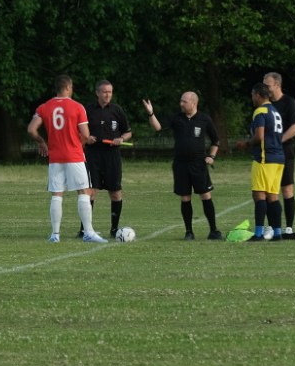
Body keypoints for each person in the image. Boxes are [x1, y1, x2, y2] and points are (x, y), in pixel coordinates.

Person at [27, 75, 109, 244]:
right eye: (71, 87)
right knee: (84, 192)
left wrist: (42, 142)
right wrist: (81, 141)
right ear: (68, 87)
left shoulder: (44, 107)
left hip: (55, 157)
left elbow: (31, 129)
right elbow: (85, 134)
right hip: (74, 155)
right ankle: (88, 232)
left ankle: (55, 234)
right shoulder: (77, 107)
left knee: (57, 194)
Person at [143, 92, 223, 240]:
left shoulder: (204, 119)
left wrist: (211, 156)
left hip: (199, 164)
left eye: (184, 101)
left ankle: (214, 230)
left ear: (194, 103)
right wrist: (150, 113)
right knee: (185, 197)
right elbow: (158, 127)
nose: (181, 104)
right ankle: (189, 232)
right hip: (181, 165)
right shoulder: (177, 118)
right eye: (181, 101)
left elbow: (215, 141)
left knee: (205, 195)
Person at [82, 79, 133, 238]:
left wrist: (121, 139)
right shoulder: (87, 110)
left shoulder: (117, 110)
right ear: (97, 93)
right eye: (104, 92)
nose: (107, 95)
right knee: (90, 192)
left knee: (116, 193)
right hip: (93, 155)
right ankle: (85, 229)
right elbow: (78, 131)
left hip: (112, 156)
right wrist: (86, 138)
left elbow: (128, 132)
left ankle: (114, 229)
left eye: (110, 92)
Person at [263, 72, 295, 240]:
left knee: (287, 189)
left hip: (285, 151)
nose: (265, 88)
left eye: (268, 85)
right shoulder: (265, 104)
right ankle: (272, 227)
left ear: (277, 85)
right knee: (269, 190)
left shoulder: (288, 102)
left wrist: (278, 140)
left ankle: (289, 228)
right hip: (268, 153)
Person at [246, 83, 285, 242]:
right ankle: (277, 233)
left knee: (259, 195)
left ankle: (258, 234)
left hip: (264, 158)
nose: (252, 98)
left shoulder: (260, 111)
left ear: (258, 95)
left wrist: (247, 143)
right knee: (273, 197)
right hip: (279, 158)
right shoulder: (275, 111)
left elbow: (259, 136)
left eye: (252, 95)